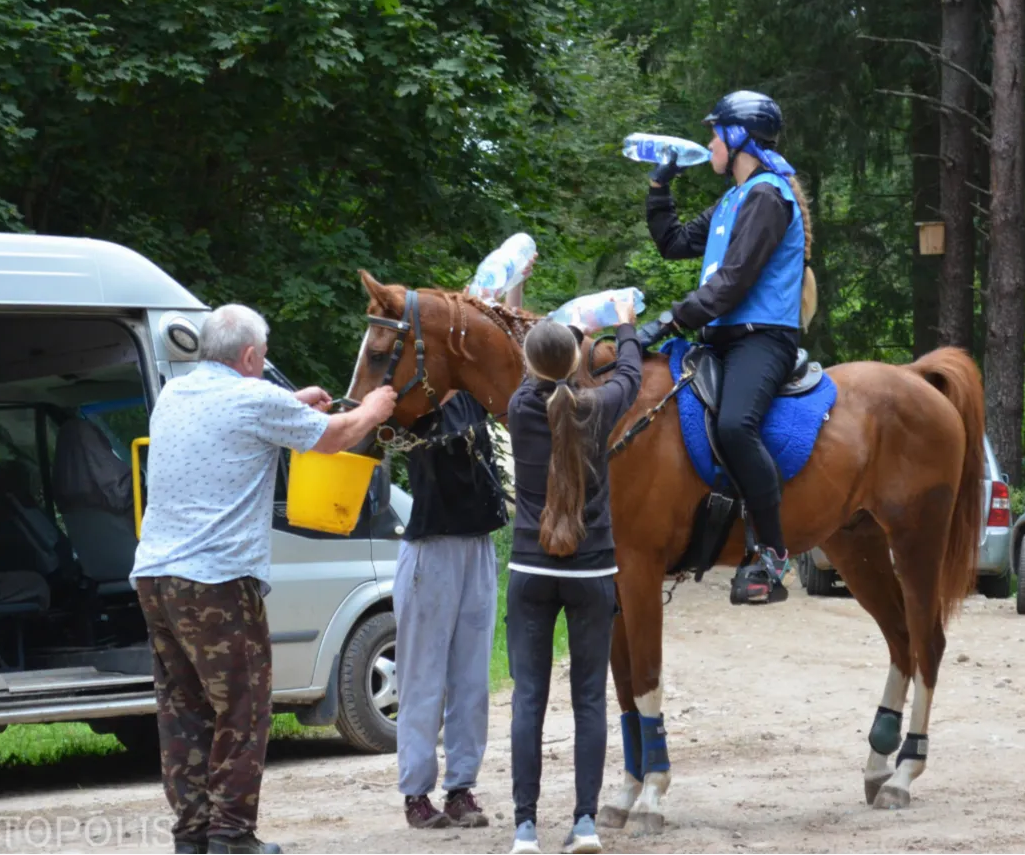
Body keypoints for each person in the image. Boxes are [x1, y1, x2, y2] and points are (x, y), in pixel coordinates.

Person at [129, 303, 397, 855]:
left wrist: (292, 404)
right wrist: (373, 408)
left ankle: (193, 835)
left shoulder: (175, 395)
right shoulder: (253, 399)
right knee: (244, 707)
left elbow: (240, 422)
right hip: (216, 580)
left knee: (184, 709)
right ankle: (232, 838)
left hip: (155, 578)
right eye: (265, 354)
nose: (266, 360)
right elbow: (335, 437)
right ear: (250, 356)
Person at [635, 89, 817, 606]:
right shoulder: (731, 201)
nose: (710, 141)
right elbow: (672, 242)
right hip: (719, 340)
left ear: (738, 138)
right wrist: (658, 185)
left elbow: (732, 284)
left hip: (762, 341)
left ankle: (772, 557)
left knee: (736, 426)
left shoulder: (767, 196)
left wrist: (665, 322)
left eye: (716, 131)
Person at [504, 300, 643, 855]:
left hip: (530, 570)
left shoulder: (517, 407)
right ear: (578, 361)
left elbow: (537, 370)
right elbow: (630, 374)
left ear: (529, 366)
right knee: (589, 699)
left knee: (527, 700)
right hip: (592, 569)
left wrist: (564, 339)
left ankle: (524, 828)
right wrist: (625, 322)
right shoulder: (599, 406)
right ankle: (585, 823)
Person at [393, 274, 525, 831]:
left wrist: (512, 291)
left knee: (472, 678)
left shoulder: (473, 396)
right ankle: (416, 794)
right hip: (430, 551)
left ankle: (462, 788)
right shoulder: (412, 409)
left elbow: (505, 344)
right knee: (423, 676)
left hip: (477, 547)